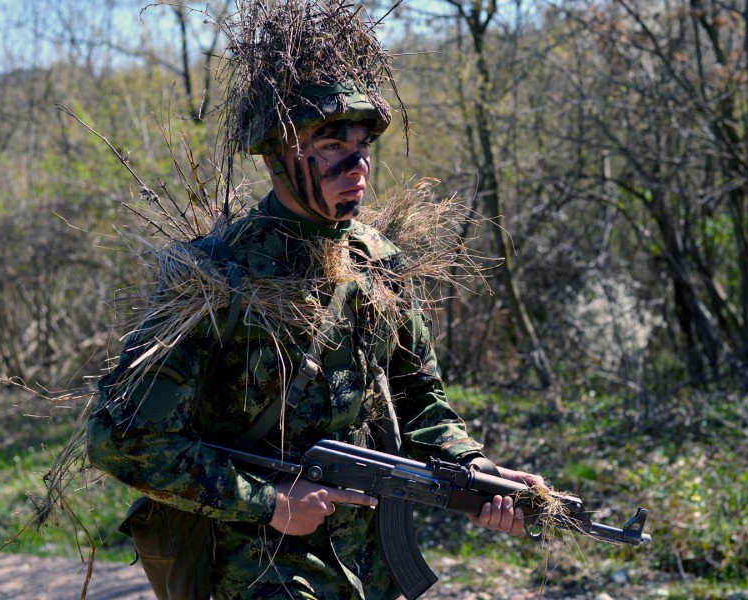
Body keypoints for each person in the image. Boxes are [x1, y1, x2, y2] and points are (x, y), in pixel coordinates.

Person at [85, 2, 545, 598]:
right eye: (330, 143)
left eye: (363, 143)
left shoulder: (378, 264)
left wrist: (471, 469)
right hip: (259, 570)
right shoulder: (212, 279)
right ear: (277, 153)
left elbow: (417, 396)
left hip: (369, 568)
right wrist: (269, 501)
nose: (357, 164)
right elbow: (119, 439)